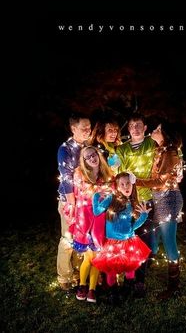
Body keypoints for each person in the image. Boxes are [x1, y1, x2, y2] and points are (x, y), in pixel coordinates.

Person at [136, 121, 185, 299]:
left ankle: (174, 286)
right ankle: (147, 265)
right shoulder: (162, 151)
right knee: (154, 235)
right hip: (160, 198)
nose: (154, 131)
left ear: (166, 135)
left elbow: (160, 182)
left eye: (158, 129)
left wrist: (137, 181)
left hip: (168, 199)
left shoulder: (170, 153)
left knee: (169, 242)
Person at [92, 172, 151, 304]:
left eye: (128, 183)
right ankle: (113, 293)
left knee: (130, 269)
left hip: (129, 242)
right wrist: (96, 196)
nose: (125, 187)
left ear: (132, 184)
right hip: (112, 243)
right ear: (117, 186)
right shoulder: (111, 199)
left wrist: (143, 216)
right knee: (111, 270)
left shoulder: (132, 203)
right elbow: (96, 211)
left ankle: (127, 288)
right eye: (122, 184)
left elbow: (132, 226)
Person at [65, 146, 114, 303]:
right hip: (84, 221)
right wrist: (101, 191)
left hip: (100, 222)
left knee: (97, 257)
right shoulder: (79, 173)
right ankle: (82, 285)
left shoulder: (106, 174)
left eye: (94, 155)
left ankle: (92, 289)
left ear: (98, 155)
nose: (92, 158)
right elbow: (86, 192)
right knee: (89, 257)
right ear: (83, 160)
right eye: (88, 157)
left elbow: (111, 192)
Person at [116, 113, 156, 297]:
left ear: (145, 127)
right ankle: (127, 279)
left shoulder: (152, 144)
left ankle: (140, 281)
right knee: (127, 240)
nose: (135, 129)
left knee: (144, 240)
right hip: (127, 201)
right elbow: (120, 173)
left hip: (145, 200)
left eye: (139, 125)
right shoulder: (122, 149)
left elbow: (174, 151)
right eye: (131, 126)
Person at [57, 113, 91, 291]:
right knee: (68, 238)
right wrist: (72, 204)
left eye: (89, 127)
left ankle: (79, 272)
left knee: (81, 237)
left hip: (85, 201)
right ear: (73, 128)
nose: (87, 130)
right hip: (70, 202)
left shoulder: (88, 147)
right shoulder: (66, 149)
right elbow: (66, 178)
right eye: (83, 127)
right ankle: (64, 276)